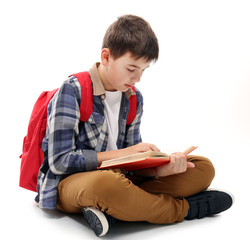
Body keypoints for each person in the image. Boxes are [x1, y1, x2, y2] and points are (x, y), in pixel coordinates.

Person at [35, 14, 233, 237]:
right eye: (131, 69)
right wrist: (123, 153)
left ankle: (115, 211)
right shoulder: (73, 90)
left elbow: (130, 166)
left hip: (120, 178)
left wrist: (159, 170)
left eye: (143, 70)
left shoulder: (133, 98)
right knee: (107, 184)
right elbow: (59, 162)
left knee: (202, 167)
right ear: (106, 56)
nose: (137, 78)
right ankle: (185, 209)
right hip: (72, 185)